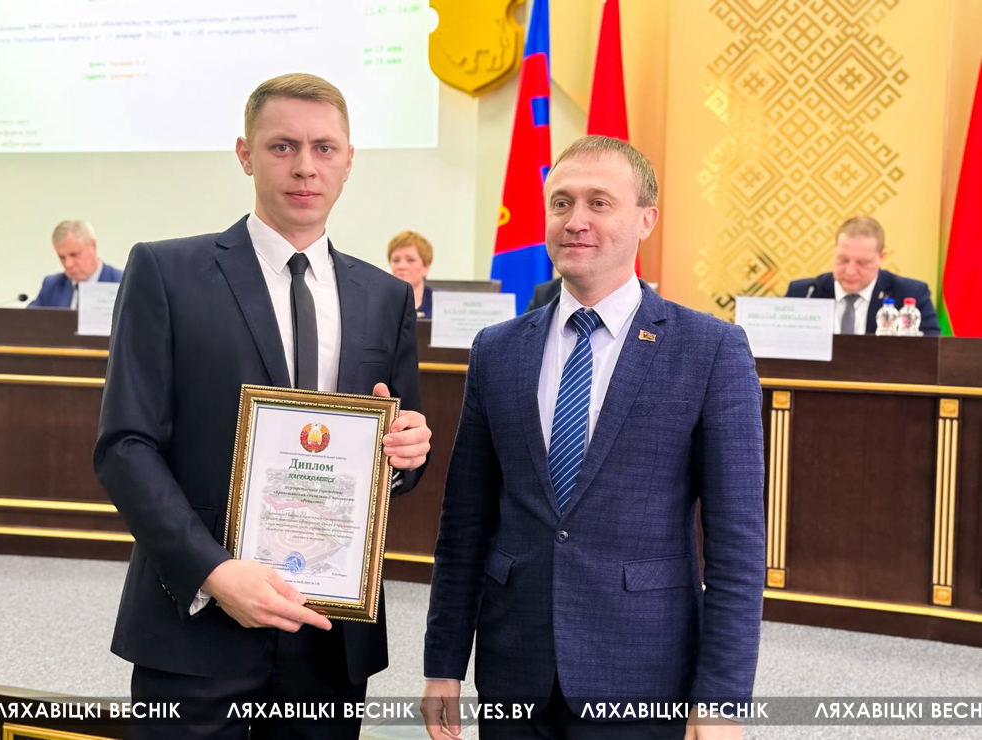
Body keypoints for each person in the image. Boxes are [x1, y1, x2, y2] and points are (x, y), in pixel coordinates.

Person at [94, 73, 431, 739]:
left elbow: (398, 451)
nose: (305, 166)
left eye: (324, 148)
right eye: (282, 146)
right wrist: (214, 572)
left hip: (330, 631)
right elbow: (125, 446)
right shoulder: (166, 272)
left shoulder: (385, 297)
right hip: (196, 624)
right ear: (245, 154)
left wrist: (405, 454)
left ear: (348, 161)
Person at [422, 136, 765, 739]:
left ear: (646, 220)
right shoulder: (497, 350)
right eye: (561, 202)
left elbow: (737, 548)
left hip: (642, 674)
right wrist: (444, 664)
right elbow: (464, 525)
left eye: (599, 203)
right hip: (513, 669)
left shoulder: (709, 350)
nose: (575, 220)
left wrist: (722, 700)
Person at [785, 216, 940, 335]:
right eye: (843, 260)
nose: (850, 271)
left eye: (862, 263)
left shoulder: (910, 294)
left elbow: (931, 352)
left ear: (882, 257)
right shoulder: (805, 293)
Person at [28, 220, 122, 308]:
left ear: (93, 246)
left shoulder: (121, 283)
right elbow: (28, 318)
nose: (68, 264)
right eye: (62, 257)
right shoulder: (52, 286)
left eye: (74, 255)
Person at [388, 230, 434, 318]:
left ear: (426, 266)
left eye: (410, 260)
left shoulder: (440, 303)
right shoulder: (379, 301)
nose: (401, 266)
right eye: (396, 260)